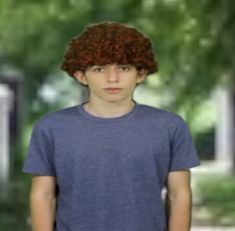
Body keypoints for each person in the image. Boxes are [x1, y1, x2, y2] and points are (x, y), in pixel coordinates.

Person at [22, 21, 200, 231]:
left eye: (124, 68)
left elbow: (179, 194)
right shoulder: (51, 128)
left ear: (140, 74)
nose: (112, 78)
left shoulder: (170, 127)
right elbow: (44, 195)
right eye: (99, 69)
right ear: (81, 75)